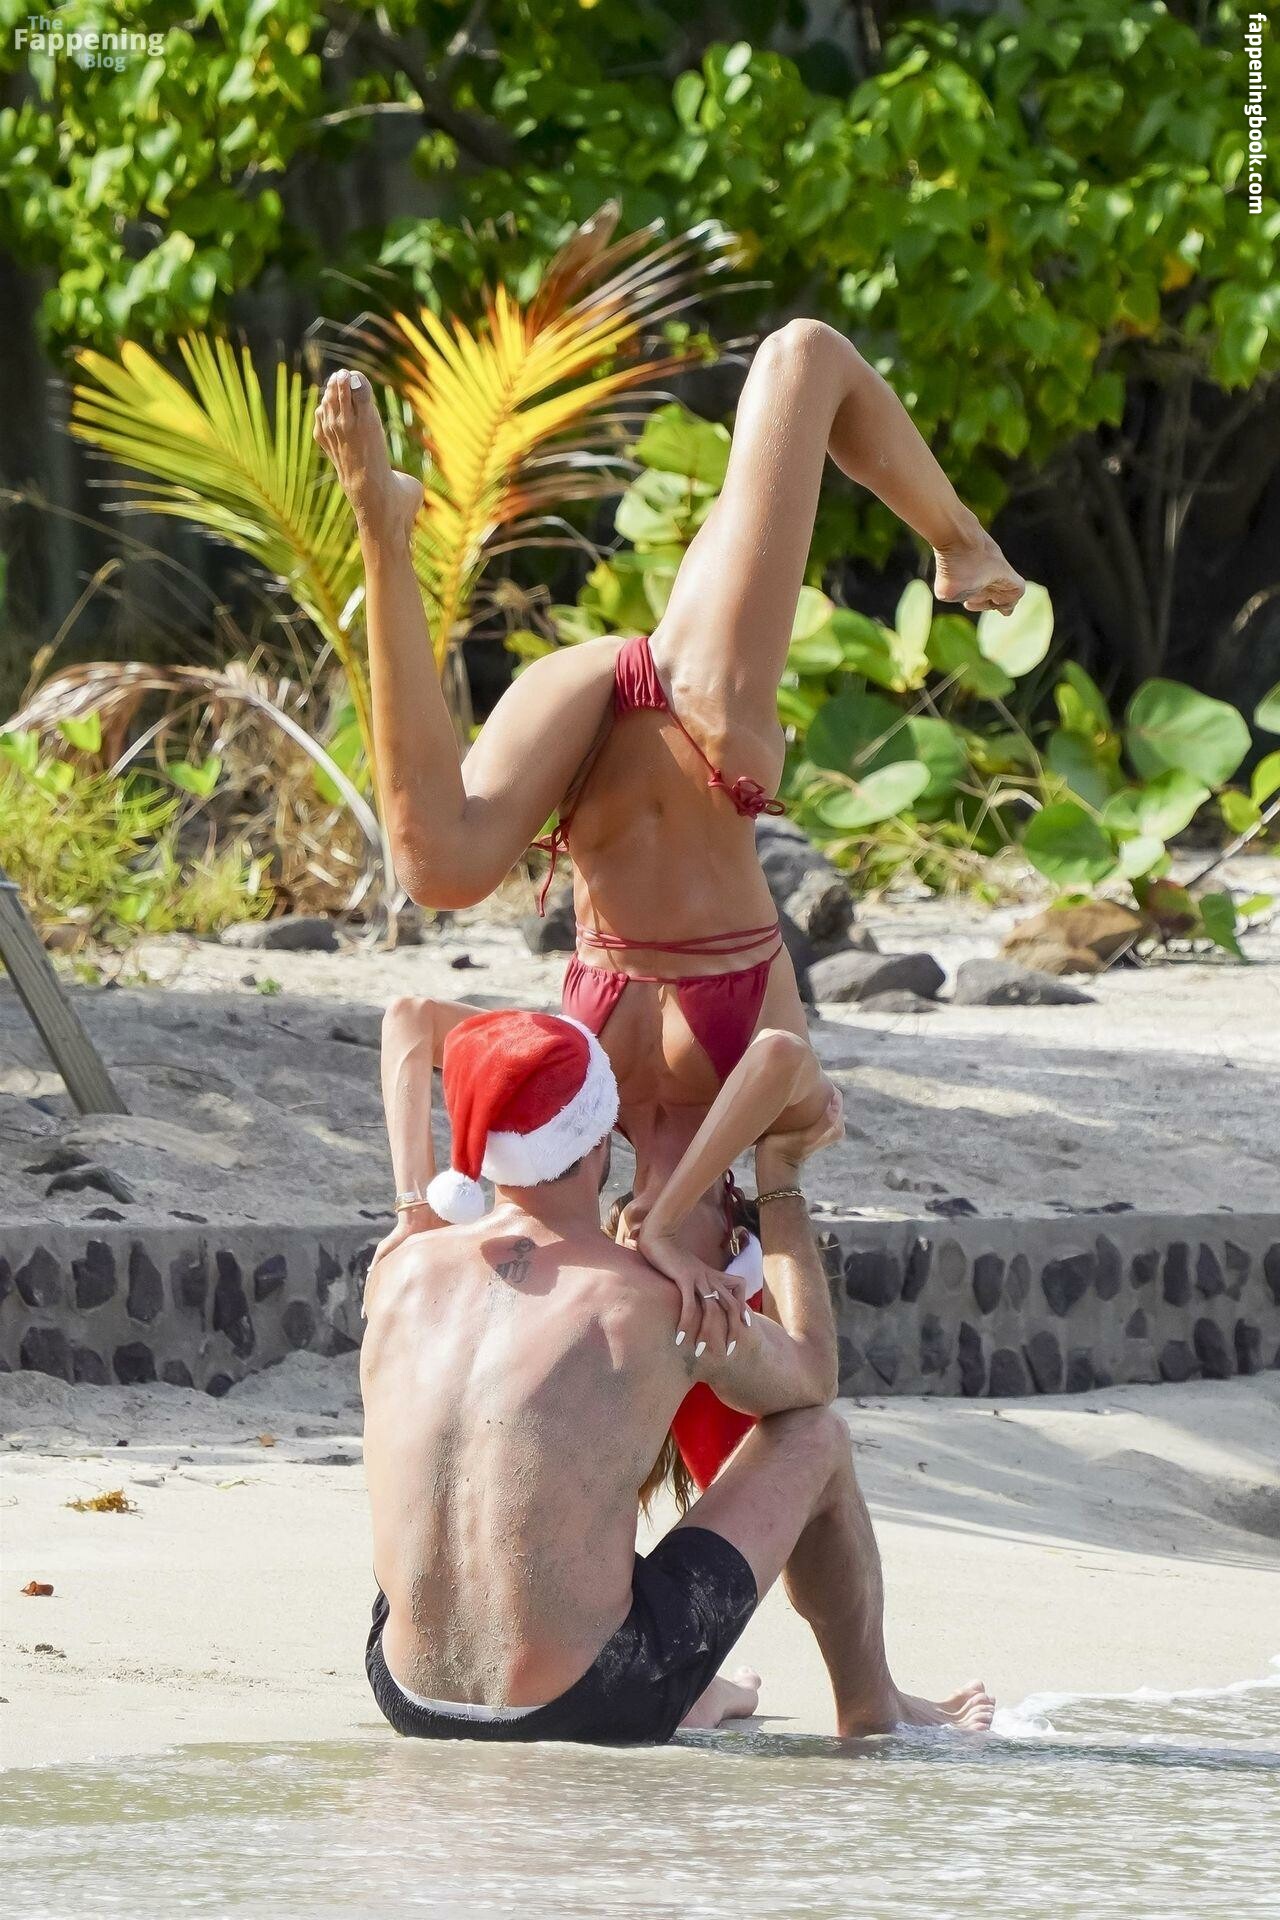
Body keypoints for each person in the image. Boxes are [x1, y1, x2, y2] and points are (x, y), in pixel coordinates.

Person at [316, 318, 1025, 1466]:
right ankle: (961, 540)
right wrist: (684, 1214)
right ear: (729, 1230)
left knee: (436, 869)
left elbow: (409, 1025)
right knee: (799, 358)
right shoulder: (762, 1117)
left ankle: (381, 529)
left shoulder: (578, 1104)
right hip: (703, 721)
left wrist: (411, 1206)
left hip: (590, 729)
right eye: (698, 1271)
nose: (653, 1262)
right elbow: (786, 1064)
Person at [361, 1003, 995, 1744]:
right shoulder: (655, 1301)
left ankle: (700, 1692)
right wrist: (781, 1180)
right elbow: (812, 1376)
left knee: (520, 1498)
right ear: (600, 1138)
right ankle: (873, 1708)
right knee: (816, 1437)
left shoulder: (397, 1272)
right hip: (588, 1702)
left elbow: (409, 1017)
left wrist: (411, 1205)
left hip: (406, 1689)